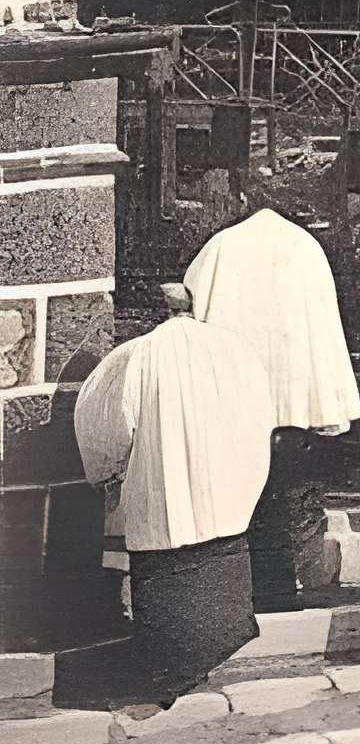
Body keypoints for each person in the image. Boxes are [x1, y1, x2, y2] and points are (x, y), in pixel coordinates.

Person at [73, 285, 273, 705]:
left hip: (167, 495)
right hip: (227, 495)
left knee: (172, 596)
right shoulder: (238, 351)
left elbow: (105, 429)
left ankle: (173, 673)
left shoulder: (134, 356)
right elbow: (261, 416)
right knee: (218, 590)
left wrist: (107, 475)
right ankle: (208, 659)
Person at [180, 205, 360, 610]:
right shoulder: (304, 248)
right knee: (280, 493)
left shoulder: (221, 248)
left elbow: (192, 310)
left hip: (232, 396)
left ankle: (248, 588)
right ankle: (278, 587)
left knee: (241, 496)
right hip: (290, 398)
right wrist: (324, 401)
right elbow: (323, 325)